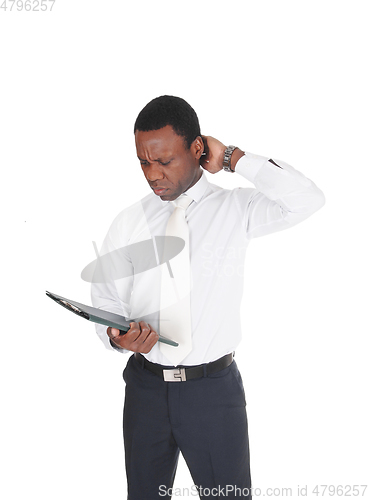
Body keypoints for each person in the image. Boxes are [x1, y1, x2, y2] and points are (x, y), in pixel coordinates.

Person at [91, 95, 325, 499]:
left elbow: (307, 199)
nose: (153, 174)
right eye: (144, 162)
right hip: (146, 392)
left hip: (213, 393)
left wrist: (235, 158)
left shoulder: (237, 209)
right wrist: (117, 337)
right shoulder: (129, 220)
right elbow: (106, 299)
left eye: (164, 161)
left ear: (197, 149)